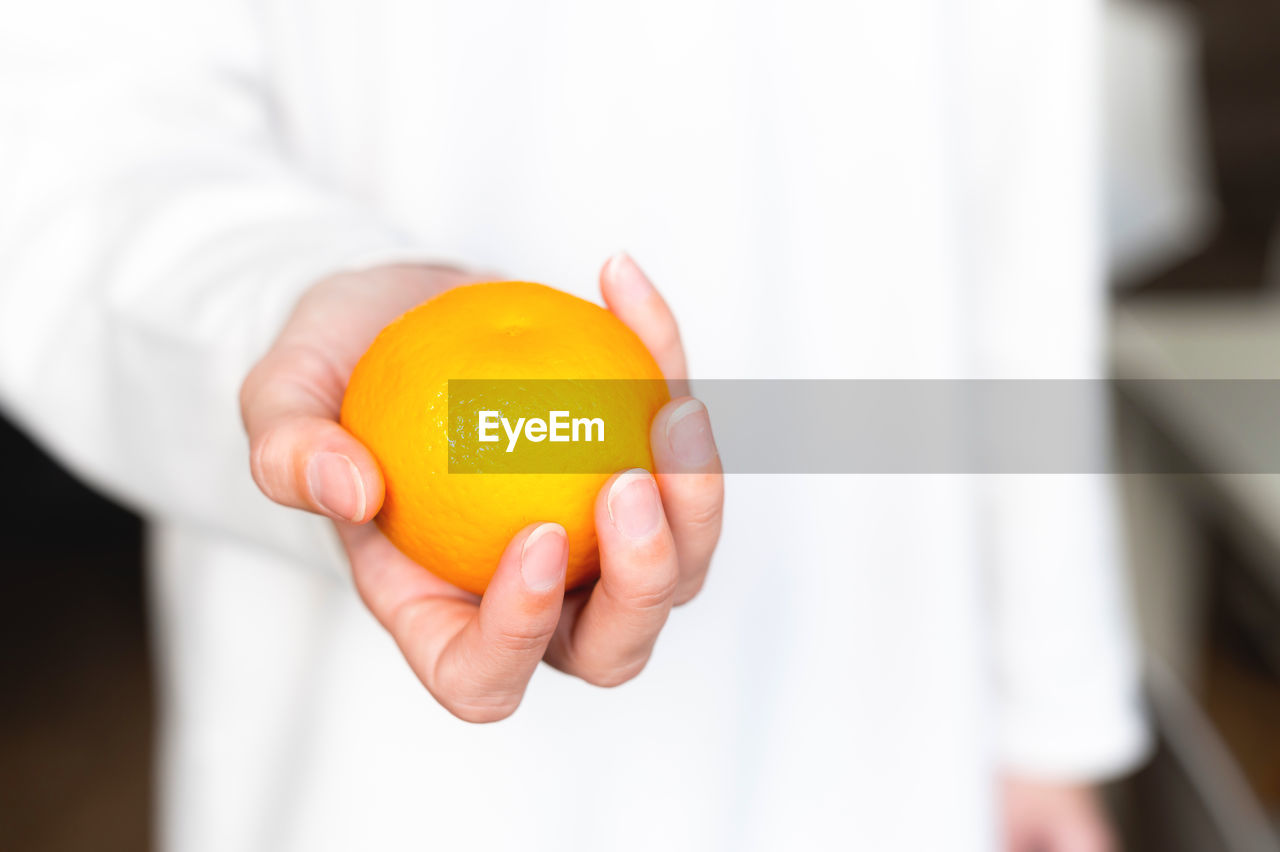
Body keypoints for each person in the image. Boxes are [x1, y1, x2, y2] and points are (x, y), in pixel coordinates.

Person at [0, 1, 1147, 850]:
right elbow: (62, 141)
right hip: (379, 762)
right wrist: (295, 310)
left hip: (875, 699)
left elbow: (1017, 213)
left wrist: (1045, 710)